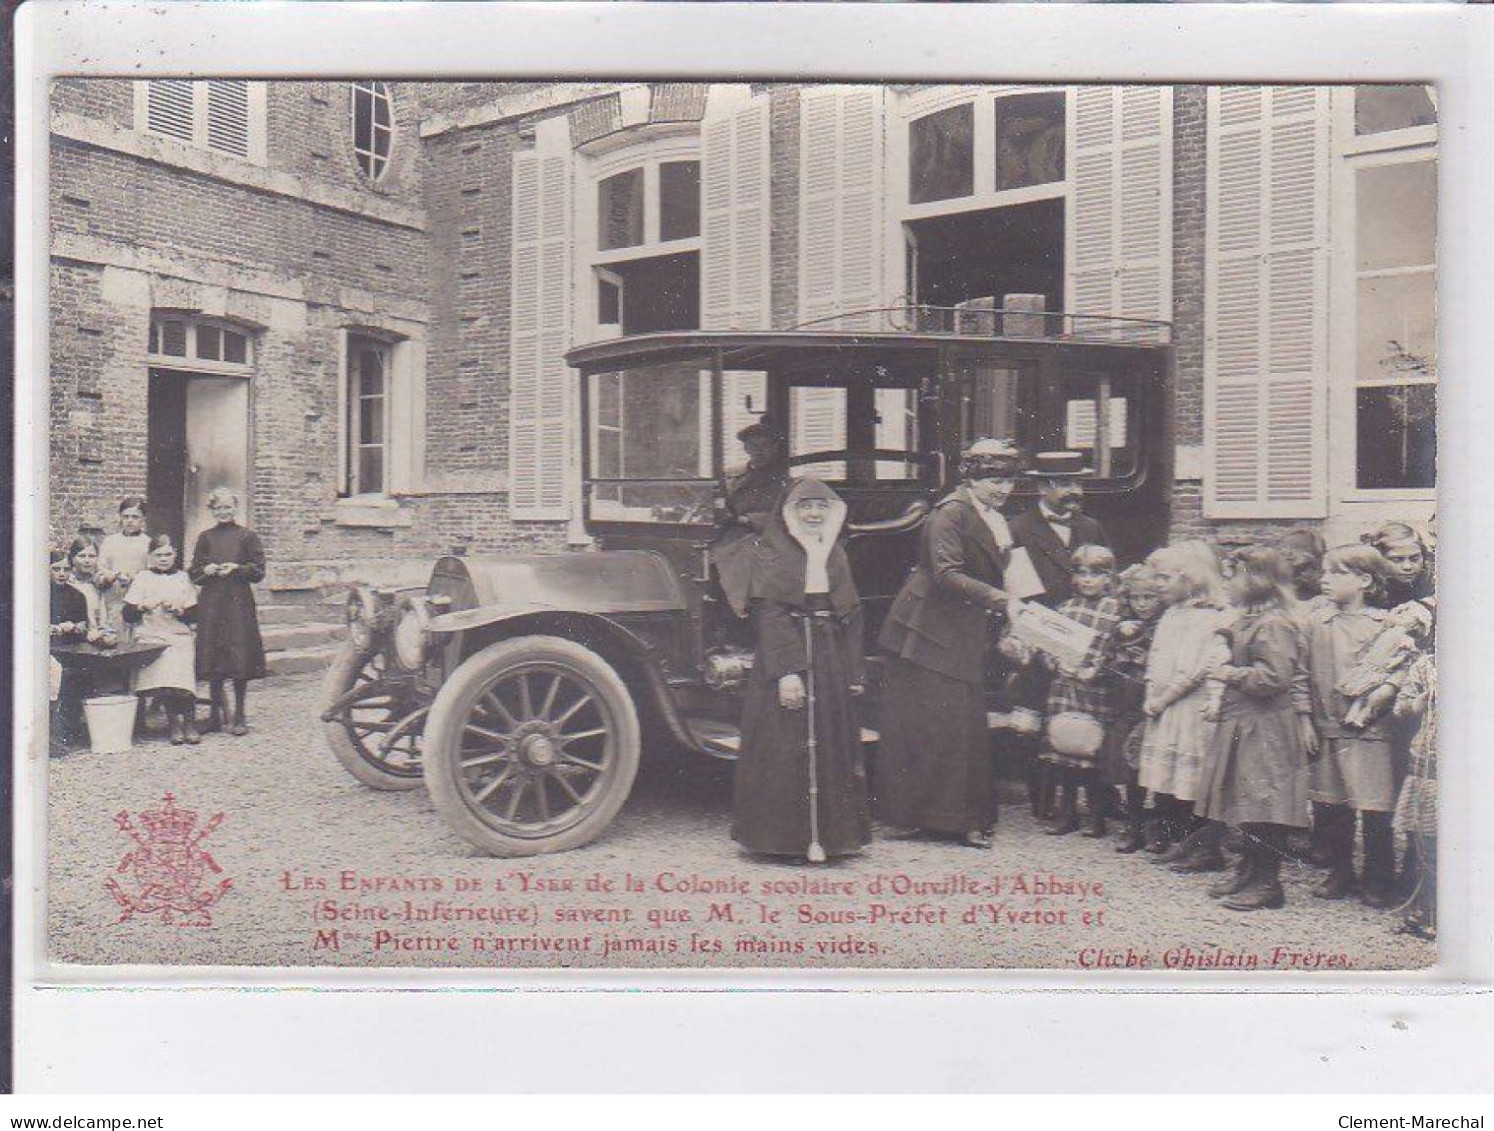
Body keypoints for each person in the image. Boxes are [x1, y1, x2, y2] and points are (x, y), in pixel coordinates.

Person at [875, 438, 1027, 848]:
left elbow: (1005, 570)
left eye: (1008, 480)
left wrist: (1018, 601)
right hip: (926, 631)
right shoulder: (951, 513)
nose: (1002, 488)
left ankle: (960, 817)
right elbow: (946, 572)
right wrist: (1001, 600)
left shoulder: (993, 516)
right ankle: (924, 817)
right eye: (993, 480)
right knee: (933, 724)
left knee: (960, 725)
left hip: (958, 630)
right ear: (973, 478)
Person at [731, 478, 870, 861]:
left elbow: (852, 614)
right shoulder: (773, 552)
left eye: (820, 507)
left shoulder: (835, 552)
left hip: (830, 659)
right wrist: (787, 672)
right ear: (791, 513)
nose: (813, 513)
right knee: (784, 742)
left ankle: (835, 838)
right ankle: (782, 840)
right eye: (805, 506)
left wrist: (854, 671)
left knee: (831, 741)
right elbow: (770, 614)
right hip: (789, 655)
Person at [1194, 546, 1309, 912]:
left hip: (1268, 727)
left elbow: (1274, 678)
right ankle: (1248, 870)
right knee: (1246, 802)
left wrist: (1229, 673)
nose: (1226, 584)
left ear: (1256, 581)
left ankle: (1268, 883)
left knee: (1265, 805)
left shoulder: (1275, 623)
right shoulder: (1248, 620)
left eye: (1232, 576)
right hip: (1246, 722)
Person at [1303, 545, 1400, 905]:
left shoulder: (1386, 624)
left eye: (1336, 573)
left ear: (1364, 580)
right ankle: (1340, 870)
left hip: (1369, 732)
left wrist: (1378, 700)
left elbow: (1398, 669)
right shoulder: (1316, 623)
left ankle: (1378, 877)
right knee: (1331, 806)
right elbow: (1300, 675)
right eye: (1324, 573)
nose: (1324, 580)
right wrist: (1304, 721)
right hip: (1326, 728)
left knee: (1375, 807)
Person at [1136, 544, 1230, 860]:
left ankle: (1197, 841)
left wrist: (1164, 698)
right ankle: (1172, 833)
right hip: (1163, 705)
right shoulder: (1172, 613)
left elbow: (1196, 668)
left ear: (1190, 578)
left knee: (1191, 773)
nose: (1158, 585)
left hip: (1188, 706)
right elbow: (1157, 656)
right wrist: (1151, 692)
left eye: (1165, 578)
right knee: (1167, 774)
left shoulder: (1208, 617)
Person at [1036, 544, 1122, 837]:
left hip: (1095, 690)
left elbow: (1117, 654)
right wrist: (1056, 663)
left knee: (1092, 752)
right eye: (1082, 573)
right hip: (1064, 687)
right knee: (1064, 751)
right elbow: (1046, 648)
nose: (1087, 580)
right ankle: (1067, 813)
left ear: (1109, 577)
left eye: (1096, 574)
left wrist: (1096, 670)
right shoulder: (1065, 609)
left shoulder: (1116, 612)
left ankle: (1096, 816)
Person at [190, 487, 267, 735]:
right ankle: (214, 715)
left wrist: (237, 568)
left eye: (228, 507)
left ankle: (239, 714)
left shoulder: (247, 537)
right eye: (218, 508)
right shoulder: (205, 538)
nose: (223, 512)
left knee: (238, 654)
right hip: (212, 604)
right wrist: (207, 571)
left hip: (237, 603)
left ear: (235, 508)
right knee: (214, 655)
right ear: (212, 510)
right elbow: (194, 573)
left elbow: (259, 571)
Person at [1102, 563, 1167, 853]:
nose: (1141, 604)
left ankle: (1159, 828)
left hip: (1153, 705)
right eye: (1135, 598)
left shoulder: (1166, 626)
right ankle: (1134, 823)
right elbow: (1106, 663)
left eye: (1149, 597)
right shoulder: (1120, 627)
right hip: (1126, 704)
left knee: (1156, 767)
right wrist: (1121, 660)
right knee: (1129, 768)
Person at [122, 535, 201, 746]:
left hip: (178, 635)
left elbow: (194, 615)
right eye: (158, 555)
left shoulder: (183, 578)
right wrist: (141, 606)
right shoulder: (143, 578)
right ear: (150, 556)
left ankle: (190, 723)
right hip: (151, 635)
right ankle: (174, 724)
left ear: (175, 555)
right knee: (166, 669)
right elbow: (127, 615)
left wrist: (180, 611)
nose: (164, 559)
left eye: (168, 554)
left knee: (182, 670)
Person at [1008, 451, 1109, 606]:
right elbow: (1019, 593)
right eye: (1065, 484)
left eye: (1078, 483)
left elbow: (1106, 581)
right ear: (1043, 488)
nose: (1076, 491)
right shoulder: (1017, 530)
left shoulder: (1091, 527)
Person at [712, 417, 790, 617]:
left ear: (775, 448)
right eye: (753, 446)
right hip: (727, 534)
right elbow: (717, 501)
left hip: (764, 537)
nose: (759, 451)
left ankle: (740, 613)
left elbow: (783, 516)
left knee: (745, 557)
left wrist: (746, 520)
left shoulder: (783, 481)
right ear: (746, 449)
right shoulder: (732, 476)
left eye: (765, 445)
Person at [1391, 602, 1437, 939]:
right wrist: (1418, 703)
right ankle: (1424, 911)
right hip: (1428, 766)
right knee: (1424, 840)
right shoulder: (1426, 666)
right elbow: (1400, 708)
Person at [50, 549, 93, 749]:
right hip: (48, 649)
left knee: (81, 673)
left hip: (71, 648)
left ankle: (73, 728)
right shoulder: (38, 594)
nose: (61, 574)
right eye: (56, 569)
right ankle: (54, 733)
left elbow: (83, 627)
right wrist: (53, 629)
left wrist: (75, 627)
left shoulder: (77, 596)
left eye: (65, 569)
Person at [97, 497, 152, 640]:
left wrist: (134, 578)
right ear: (120, 518)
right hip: (113, 599)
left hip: (138, 602)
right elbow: (100, 571)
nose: (130, 521)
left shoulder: (148, 543)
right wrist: (109, 576)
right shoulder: (109, 542)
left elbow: (152, 575)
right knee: (114, 639)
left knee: (137, 640)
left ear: (143, 519)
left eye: (135, 517)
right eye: (126, 516)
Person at [1364, 521, 1434, 609]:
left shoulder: (1432, 577)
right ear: (1378, 559)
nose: (1407, 566)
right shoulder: (1365, 585)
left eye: (1414, 558)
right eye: (1397, 559)